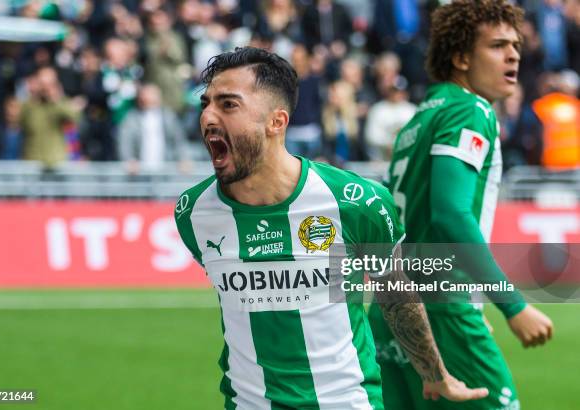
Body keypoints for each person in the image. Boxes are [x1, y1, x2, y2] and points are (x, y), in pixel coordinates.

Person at [175, 46, 487, 410]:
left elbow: (397, 297)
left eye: (228, 105)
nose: (208, 116)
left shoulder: (357, 203)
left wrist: (435, 374)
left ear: (277, 122)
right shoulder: (193, 213)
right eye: (205, 104)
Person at [366, 2, 554, 409]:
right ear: (461, 57)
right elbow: (450, 215)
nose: (513, 55)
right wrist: (513, 305)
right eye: (498, 45)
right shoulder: (471, 110)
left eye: (516, 45)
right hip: (441, 305)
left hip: (393, 308)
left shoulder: (419, 119)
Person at [117, 83, 191, 172]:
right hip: (139, 170)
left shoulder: (168, 116)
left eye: (151, 96)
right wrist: (129, 160)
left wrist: (183, 158)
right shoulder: (131, 118)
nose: (146, 99)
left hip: (165, 168)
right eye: (144, 96)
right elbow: (125, 142)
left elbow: (178, 140)